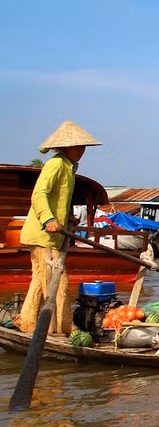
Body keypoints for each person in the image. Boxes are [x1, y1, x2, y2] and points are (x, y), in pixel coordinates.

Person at [14, 121, 102, 334]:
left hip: (51, 236)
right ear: (66, 147)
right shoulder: (55, 164)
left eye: (84, 148)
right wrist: (48, 219)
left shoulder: (68, 168)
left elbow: (59, 199)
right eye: (78, 147)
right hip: (43, 235)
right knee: (59, 282)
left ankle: (26, 320)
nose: (82, 152)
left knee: (39, 280)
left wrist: (67, 218)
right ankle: (65, 327)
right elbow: (39, 194)